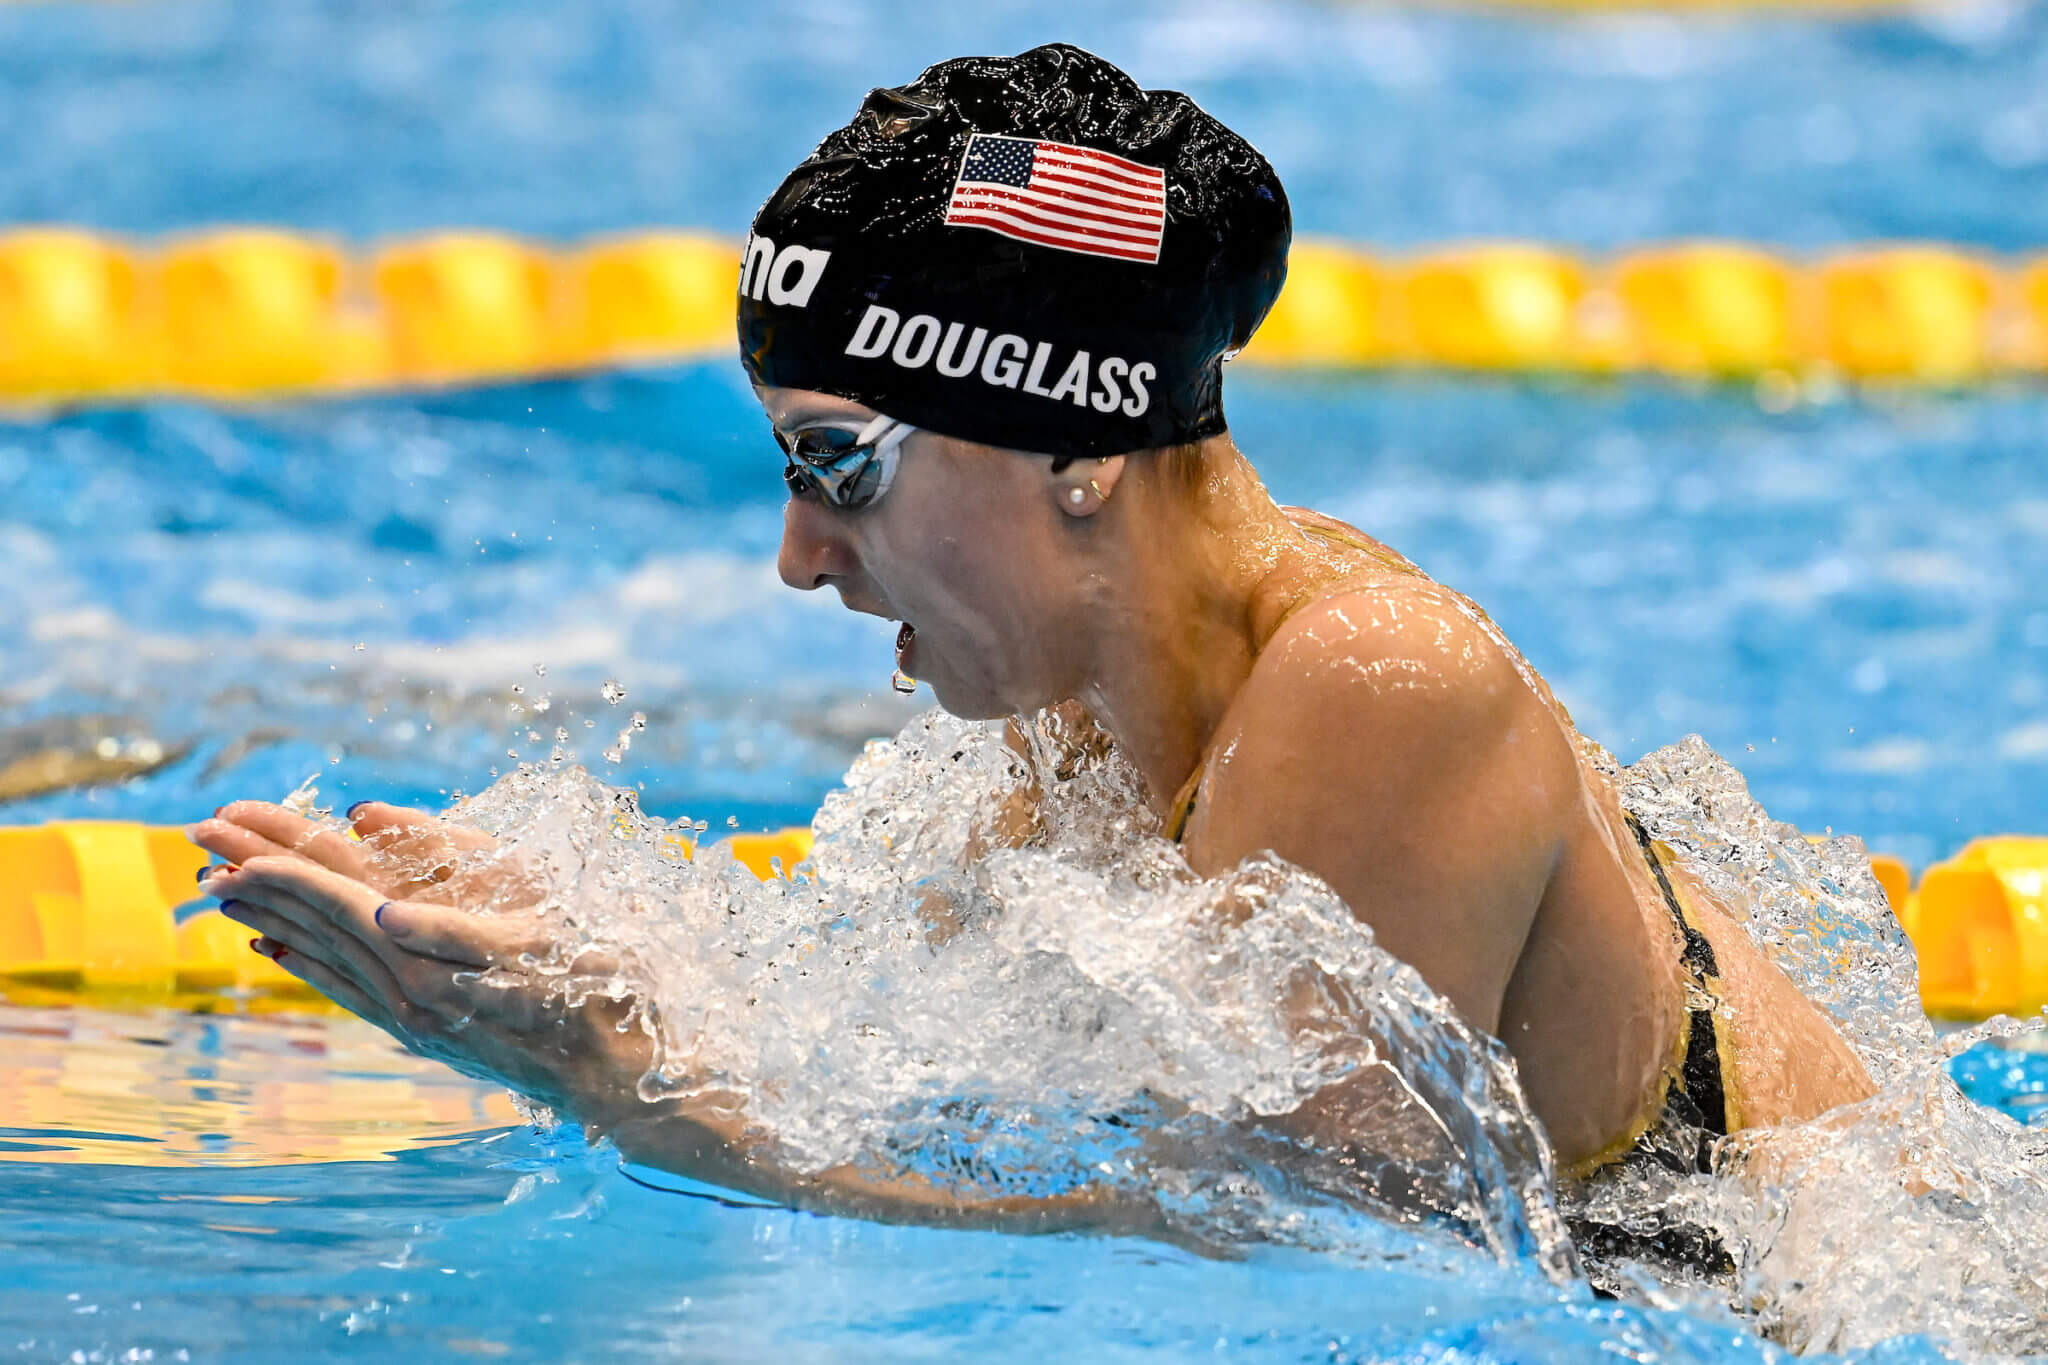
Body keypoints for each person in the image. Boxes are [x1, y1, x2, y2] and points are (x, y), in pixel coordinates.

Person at [192, 44, 1873, 1244]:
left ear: (1076, 455)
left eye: (840, 461)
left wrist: (649, 1097)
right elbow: (925, 1073)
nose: (797, 555)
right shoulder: (1090, 700)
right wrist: (592, 970)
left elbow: (1327, 1258)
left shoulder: (1376, 686)